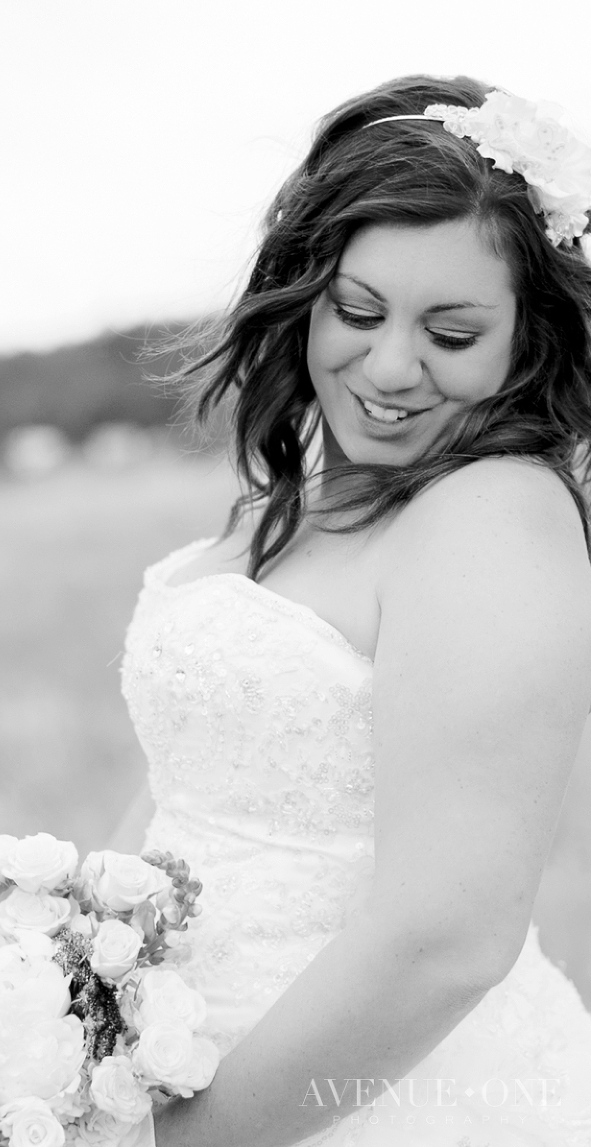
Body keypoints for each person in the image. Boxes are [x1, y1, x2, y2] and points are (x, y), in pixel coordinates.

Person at [115, 75, 591, 1146]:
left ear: (530, 338)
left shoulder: (493, 516)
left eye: (452, 333)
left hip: (352, 1099)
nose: (387, 369)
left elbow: (447, 939)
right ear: (306, 291)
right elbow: (186, 794)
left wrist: (186, 1141)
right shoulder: (296, 505)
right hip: (165, 1057)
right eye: (359, 311)